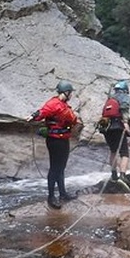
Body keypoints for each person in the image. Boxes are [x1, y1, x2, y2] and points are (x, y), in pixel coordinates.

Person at [27, 80, 81, 209]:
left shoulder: (63, 104)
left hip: (63, 139)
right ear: (66, 92)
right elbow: (43, 112)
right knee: (55, 169)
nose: (71, 95)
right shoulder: (54, 103)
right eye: (71, 92)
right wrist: (33, 116)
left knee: (61, 168)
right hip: (55, 140)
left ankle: (63, 194)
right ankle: (51, 197)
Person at [103, 80, 130, 191]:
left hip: (106, 128)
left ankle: (114, 175)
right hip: (117, 127)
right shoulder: (124, 97)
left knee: (113, 151)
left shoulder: (110, 99)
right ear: (125, 90)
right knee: (124, 153)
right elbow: (124, 110)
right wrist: (126, 124)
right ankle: (122, 176)